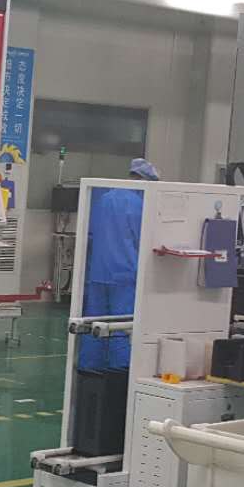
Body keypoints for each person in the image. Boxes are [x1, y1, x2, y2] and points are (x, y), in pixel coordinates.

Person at [76, 158, 158, 375]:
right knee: (121, 325)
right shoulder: (138, 204)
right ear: (145, 180)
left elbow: (91, 233)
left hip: (98, 272)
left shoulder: (105, 198)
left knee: (95, 322)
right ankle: (118, 371)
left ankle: (89, 367)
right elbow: (144, 240)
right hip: (125, 274)